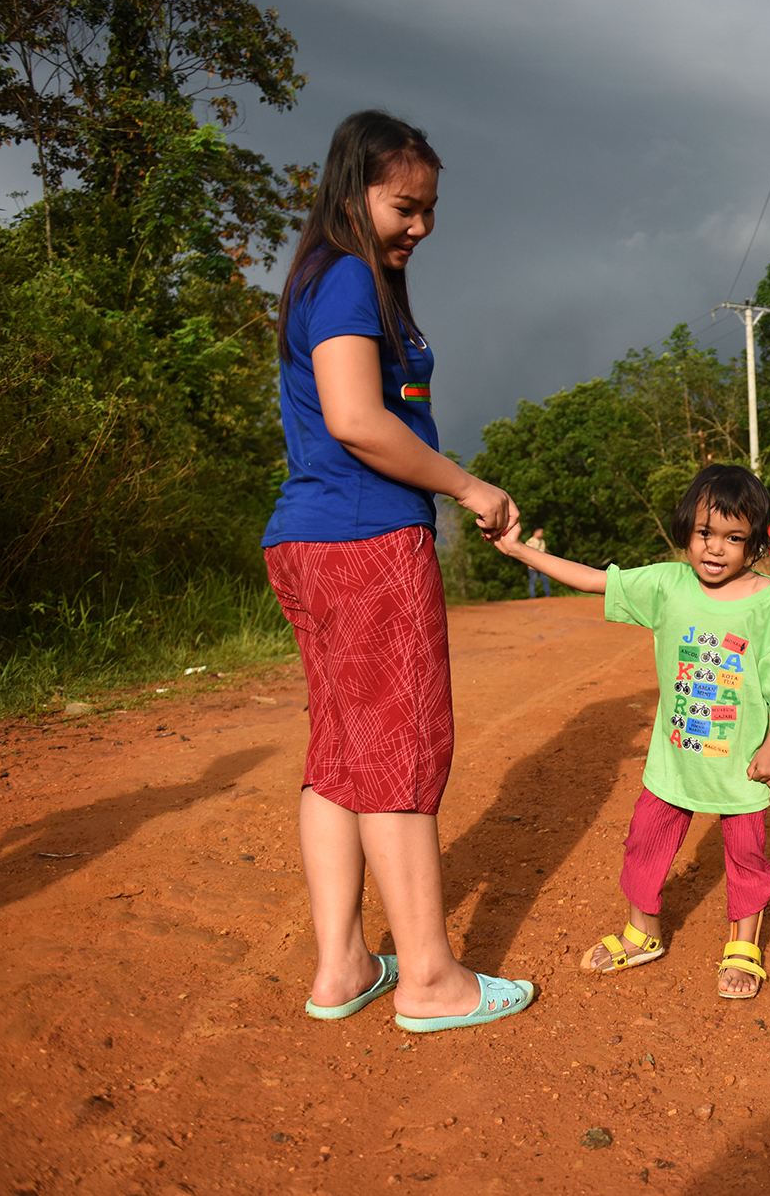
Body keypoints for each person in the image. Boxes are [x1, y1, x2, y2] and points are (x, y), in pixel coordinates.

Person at [262, 110, 535, 1033]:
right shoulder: (346, 279)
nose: (418, 227)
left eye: (429, 211)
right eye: (402, 207)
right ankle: (428, 978)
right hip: (366, 541)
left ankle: (343, 964)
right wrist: (467, 485)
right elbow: (355, 418)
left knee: (339, 755)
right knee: (401, 750)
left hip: (308, 540)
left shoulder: (324, 276)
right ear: (352, 193)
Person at [497, 464, 770, 1000]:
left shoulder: (765, 599)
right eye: (704, 534)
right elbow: (597, 579)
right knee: (646, 840)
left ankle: (744, 944)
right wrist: (519, 551)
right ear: (686, 531)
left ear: (755, 544)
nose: (715, 550)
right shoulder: (669, 584)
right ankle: (642, 932)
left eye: (734, 539)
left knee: (746, 853)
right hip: (674, 759)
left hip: (739, 766)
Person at [524, 527, 552, 598]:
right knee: (533, 581)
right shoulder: (530, 541)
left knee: (545, 580)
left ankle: (548, 595)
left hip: (542, 565)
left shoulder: (542, 541)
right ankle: (532, 596)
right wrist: (529, 564)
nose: (542, 534)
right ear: (536, 532)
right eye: (541, 532)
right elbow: (526, 554)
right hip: (532, 566)